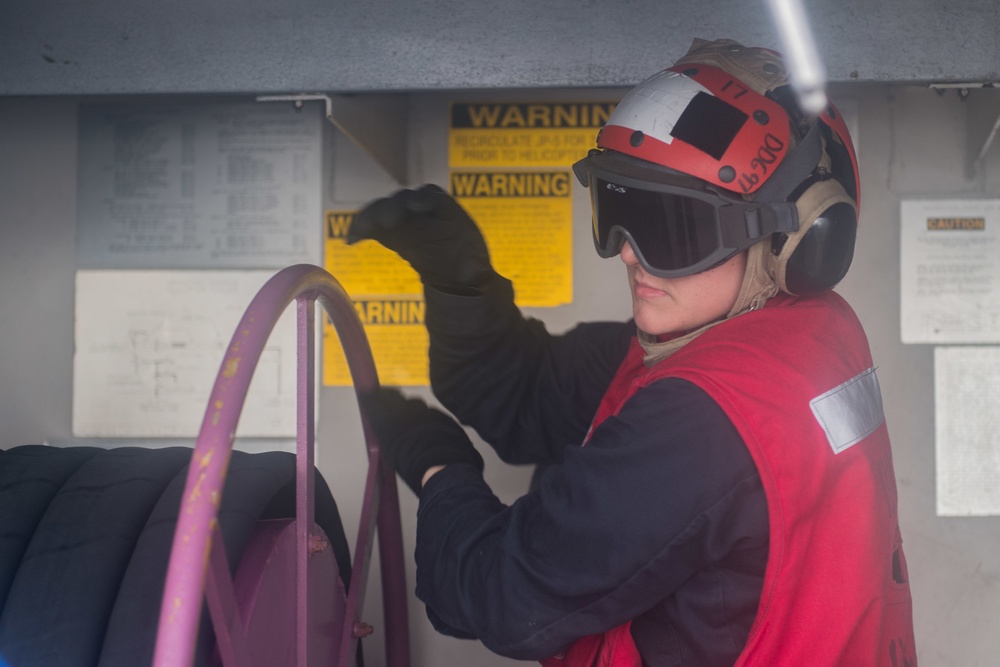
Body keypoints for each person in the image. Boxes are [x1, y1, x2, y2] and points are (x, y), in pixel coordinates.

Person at [348, 38, 917, 667]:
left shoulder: (705, 419)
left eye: (672, 228)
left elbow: (506, 596)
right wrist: (461, 284)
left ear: (796, 241)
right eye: (618, 209)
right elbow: (532, 395)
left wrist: (440, 471)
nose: (627, 251)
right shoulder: (800, 337)